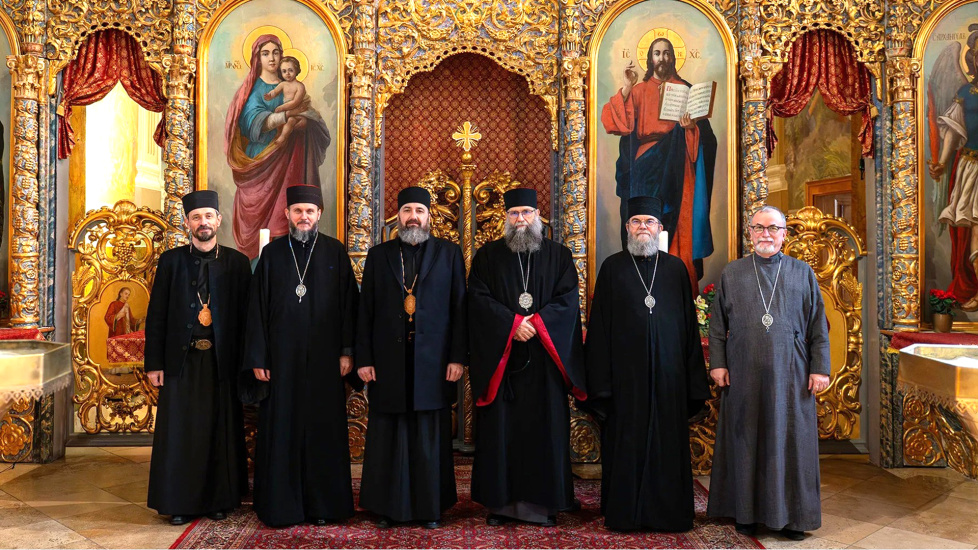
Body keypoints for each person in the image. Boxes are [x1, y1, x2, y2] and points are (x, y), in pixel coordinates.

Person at [583, 196, 711, 532]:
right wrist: (602, 383)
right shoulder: (612, 268)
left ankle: (670, 515)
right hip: (626, 380)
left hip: (670, 378)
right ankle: (625, 514)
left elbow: (688, 329)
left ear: (660, 228)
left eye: (649, 222)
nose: (643, 227)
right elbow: (600, 329)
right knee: (626, 444)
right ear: (627, 227)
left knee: (668, 446)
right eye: (637, 221)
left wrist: (690, 380)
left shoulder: (676, 269)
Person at [706, 205, 831, 541]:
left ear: (784, 234)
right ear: (750, 233)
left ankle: (793, 518)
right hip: (743, 372)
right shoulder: (733, 272)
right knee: (746, 440)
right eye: (759, 227)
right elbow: (717, 326)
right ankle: (745, 514)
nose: (766, 234)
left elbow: (818, 325)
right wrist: (718, 363)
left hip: (792, 373)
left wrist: (820, 368)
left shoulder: (802, 272)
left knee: (791, 441)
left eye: (773, 228)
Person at [242, 184, 360, 528]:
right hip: (281, 360)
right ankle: (282, 507)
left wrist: (347, 351)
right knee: (283, 428)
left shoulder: (335, 252)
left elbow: (349, 306)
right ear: (287, 214)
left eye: (310, 211)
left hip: (326, 359)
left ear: (319, 214)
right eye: (298, 211)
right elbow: (256, 310)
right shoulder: (273, 254)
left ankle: (325, 506)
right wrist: (258, 357)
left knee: (323, 429)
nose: (304, 216)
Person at [467, 188, 586, 527]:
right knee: (502, 433)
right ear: (506, 218)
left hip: (545, 363)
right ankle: (501, 505)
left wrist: (537, 324)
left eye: (526, 212)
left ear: (538, 216)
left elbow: (567, 300)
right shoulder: (487, 256)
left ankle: (544, 505)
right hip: (503, 363)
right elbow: (477, 299)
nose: (521, 219)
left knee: (544, 432)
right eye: (515, 213)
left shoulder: (559, 256)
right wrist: (512, 324)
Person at [357, 187, 467, 529]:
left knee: (428, 435)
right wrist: (364, 358)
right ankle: (388, 508)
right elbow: (365, 311)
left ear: (429, 216)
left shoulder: (449, 254)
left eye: (419, 210)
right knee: (390, 434)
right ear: (398, 216)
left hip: (433, 361)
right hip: (388, 360)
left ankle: (430, 508)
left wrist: (457, 358)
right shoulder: (379, 255)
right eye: (407, 210)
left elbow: (460, 310)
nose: (413, 217)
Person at [145, 190, 251, 526]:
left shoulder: (237, 263)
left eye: (208, 216)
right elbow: (156, 315)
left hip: (221, 363)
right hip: (181, 363)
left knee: (218, 432)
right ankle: (179, 503)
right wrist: (154, 363)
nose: (202, 223)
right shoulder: (171, 261)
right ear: (187, 223)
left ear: (218, 220)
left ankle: (218, 500)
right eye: (196, 217)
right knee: (180, 433)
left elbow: (247, 318)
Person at [601, 37, 718, 287]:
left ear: (673, 57)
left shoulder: (685, 89)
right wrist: (627, 87)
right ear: (650, 58)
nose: (662, 58)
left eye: (666, 53)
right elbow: (614, 123)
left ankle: (674, 281)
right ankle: (641, 281)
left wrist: (690, 128)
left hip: (677, 166)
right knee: (644, 220)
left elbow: (707, 141)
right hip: (645, 166)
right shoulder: (639, 90)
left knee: (676, 222)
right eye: (657, 53)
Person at [225, 34, 331, 258]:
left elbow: (311, 116)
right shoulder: (254, 89)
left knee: (286, 212)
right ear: (257, 58)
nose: (272, 58)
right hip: (261, 158)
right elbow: (250, 122)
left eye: (276, 53)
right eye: (265, 53)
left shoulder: (295, 86)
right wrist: (286, 117)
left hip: (291, 160)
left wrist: (305, 122)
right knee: (256, 214)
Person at [263, 56, 307, 145]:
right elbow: (275, 92)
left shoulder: (300, 86)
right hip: (287, 110)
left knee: (291, 120)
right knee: (283, 120)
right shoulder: (283, 84)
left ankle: (282, 138)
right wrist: (270, 95)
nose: (287, 73)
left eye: (290, 70)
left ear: (296, 70)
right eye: (284, 71)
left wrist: (281, 107)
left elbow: (295, 102)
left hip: (297, 110)